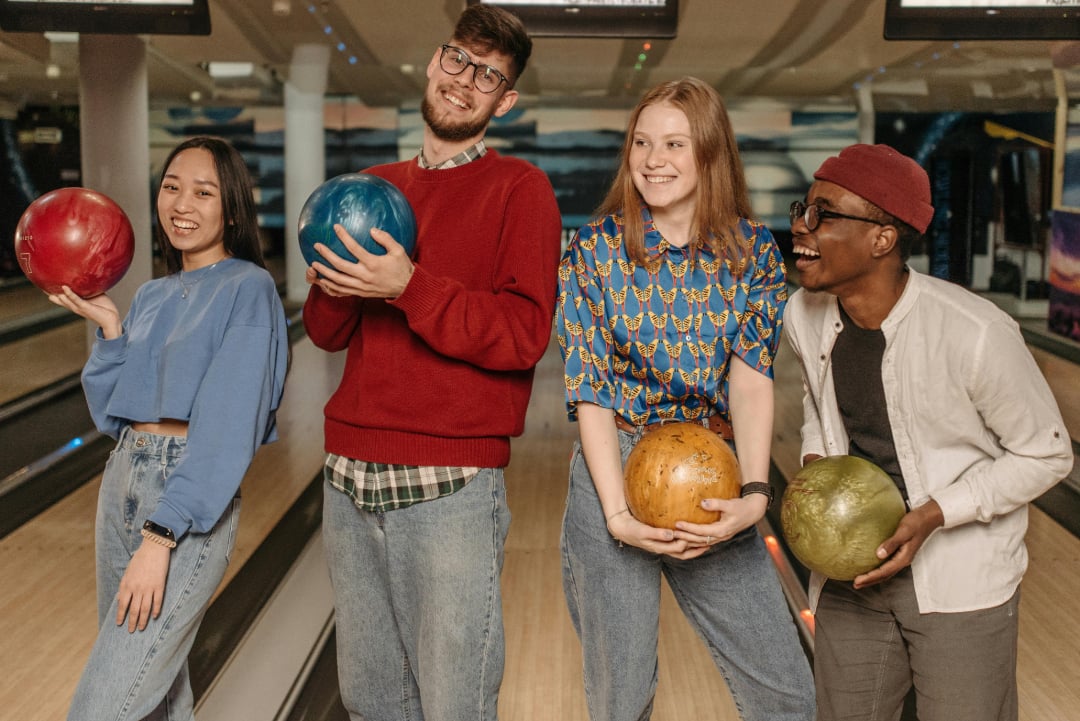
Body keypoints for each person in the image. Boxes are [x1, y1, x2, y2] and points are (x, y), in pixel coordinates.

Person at [301, 5, 562, 719]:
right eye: (457, 60)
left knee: (455, 702)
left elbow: (523, 332)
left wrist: (408, 287)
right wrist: (329, 284)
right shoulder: (371, 187)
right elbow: (325, 333)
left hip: (449, 483)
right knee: (370, 698)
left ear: (504, 101)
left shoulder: (520, 189)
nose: (464, 81)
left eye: (488, 76)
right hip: (349, 475)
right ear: (432, 62)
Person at [784, 143, 1074, 721]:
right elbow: (817, 402)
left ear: (882, 238)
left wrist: (937, 512)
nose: (800, 226)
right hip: (852, 574)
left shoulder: (976, 335)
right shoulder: (803, 313)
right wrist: (817, 456)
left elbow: (1048, 455)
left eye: (824, 213)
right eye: (802, 208)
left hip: (957, 581)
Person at [556, 76, 815, 721]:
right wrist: (617, 516)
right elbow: (590, 390)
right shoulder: (592, 251)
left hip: (713, 471)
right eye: (642, 142)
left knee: (788, 694)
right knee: (622, 701)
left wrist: (754, 498)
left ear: (710, 153)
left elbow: (752, 377)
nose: (652, 160)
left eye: (674, 143)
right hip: (613, 465)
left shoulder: (752, 251)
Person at [51, 135, 290, 720]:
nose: (182, 203)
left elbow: (229, 430)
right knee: (154, 697)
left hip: (182, 501)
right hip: (123, 479)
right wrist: (110, 328)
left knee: (103, 706)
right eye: (171, 187)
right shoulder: (152, 295)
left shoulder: (247, 289)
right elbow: (113, 414)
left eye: (203, 192)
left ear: (231, 209)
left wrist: (161, 538)